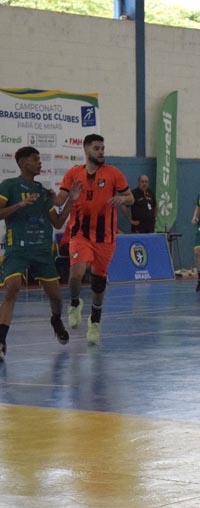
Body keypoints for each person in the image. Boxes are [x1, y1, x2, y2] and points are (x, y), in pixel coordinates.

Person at [0, 146, 81, 359]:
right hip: (18, 248)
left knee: (55, 297)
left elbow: (57, 222)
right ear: (23, 163)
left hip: (42, 249)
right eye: (35, 159)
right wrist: (20, 204)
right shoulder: (9, 185)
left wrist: (71, 200)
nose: (40, 162)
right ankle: (1, 340)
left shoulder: (44, 191)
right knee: (12, 289)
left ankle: (55, 320)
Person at [55, 134, 134, 345]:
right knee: (75, 274)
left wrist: (122, 198)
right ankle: (74, 303)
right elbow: (59, 199)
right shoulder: (73, 174)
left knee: (98, 283)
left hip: (105, 238)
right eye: (97, 148)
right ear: (86, 150)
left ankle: (95, 321)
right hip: (80, 233)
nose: (101, 152)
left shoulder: (113, 173)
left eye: (102, 148)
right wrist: (43, 195)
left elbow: (131, 197)